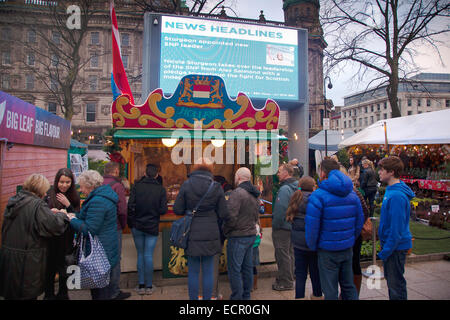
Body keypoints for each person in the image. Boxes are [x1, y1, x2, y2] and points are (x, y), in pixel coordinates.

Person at [0, 174, 69, 300]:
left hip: (10, 258)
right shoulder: (37, 205)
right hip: (27, 262)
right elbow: (54, 226)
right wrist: (62, 215)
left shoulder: (15, 200)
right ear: (41, 189)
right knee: (27, 295)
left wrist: (48, 214)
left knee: (12, 294)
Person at [305, 159, 364, 300]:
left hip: (327, 250)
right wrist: (350, 239)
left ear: (323, 172)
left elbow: (312, 226)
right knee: (348, 285)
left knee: (330, 289)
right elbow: (359, 221)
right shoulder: (353, 195)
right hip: (346, 247)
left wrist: (313, 246)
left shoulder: (318, 196)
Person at [173, 158, 229, 300]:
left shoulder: (187, 185)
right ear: (211, 169)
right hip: (211, 232)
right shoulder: (216, 186)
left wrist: (189, 209)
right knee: (209, 271)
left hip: (191, 232)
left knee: (193, 271)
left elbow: (177, 209)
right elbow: (224, 214)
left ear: (195, 168)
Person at [67, 170, 119, 300]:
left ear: (90, 185)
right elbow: (89, 218)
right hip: (105, 247)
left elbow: (89, 229)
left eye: (82, 186)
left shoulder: (98, 201)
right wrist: (74, 215)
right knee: (101, 287)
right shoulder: (101, 197)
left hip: (100, 252)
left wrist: (71, 220)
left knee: (100, 291)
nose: (81, 189)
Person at [377, 156, 414, 300]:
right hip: (393, 246)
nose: (379, 172)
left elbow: (396, 229)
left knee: (396, 285)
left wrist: (386, 250)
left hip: (395, 248)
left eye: (382, 169)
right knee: (393, 283)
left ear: (391, 172)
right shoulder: (391, 190)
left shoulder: (397, 195)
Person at [127, 164, 167, 295]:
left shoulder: (136, 187)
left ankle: (141, 284)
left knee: (140, 254)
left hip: (137, 225)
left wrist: (132, 222)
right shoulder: (160, 189)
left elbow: (130, 206)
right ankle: (149, 286)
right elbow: (163, 210)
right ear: (156, 175)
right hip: (152, 225)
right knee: (148, 255)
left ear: (144, 173)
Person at [43, 168, 81, 300]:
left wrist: (68, 205)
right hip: (51, 238)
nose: (64, 185)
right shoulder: (48, 194)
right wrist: (51, 212)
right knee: (49, 268)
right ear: (56, 181)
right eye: (61, 182)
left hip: (67, 238)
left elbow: (77, 216)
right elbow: (42, 214)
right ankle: (48, 294)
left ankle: (63, 294)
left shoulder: (74, 195)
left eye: (68, 182)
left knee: (64, 267)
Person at [223, 167, 259, 300]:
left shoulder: (237, 193)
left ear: (238, 177)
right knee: (247, 268)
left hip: (238, 236)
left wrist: (225, 231)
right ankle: (246, 296)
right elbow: (256, 217)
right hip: (250, 234)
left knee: (235, 269)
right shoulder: (254, 193)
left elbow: (230, 217)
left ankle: (237, 297)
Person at [286, 176, 323, 300]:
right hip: (313, 243)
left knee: (300, 274)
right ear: (313, 187)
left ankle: (299, 296)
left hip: (298, 244)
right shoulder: (315, 199)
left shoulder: (296, 198)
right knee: (315, 272)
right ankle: (317, 295)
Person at [340, 166, 370, 297]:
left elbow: (365, 212)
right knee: (353, 263)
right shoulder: (354, 191)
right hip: (353, 233)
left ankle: (352, 292)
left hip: (352, 234)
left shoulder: (353, 192)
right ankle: (351, 292)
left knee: (352, 263)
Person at [102, 162, 130, 300]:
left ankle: (102, 290)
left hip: (100, 228)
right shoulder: (118, 186)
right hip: (115, 227)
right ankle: (114, 291)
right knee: (114, 259)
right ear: (116, 171)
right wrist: (124, 224)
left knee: (103, 258)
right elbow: (122, 210)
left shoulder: (98, 184)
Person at [272, 163, 297, 291]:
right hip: (292, 225)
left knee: (282, 254)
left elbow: (281, 210)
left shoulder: (284, 189)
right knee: (289, 253)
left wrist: (275, 225)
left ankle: (286, 281)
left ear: (286, 173)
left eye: (279, 171)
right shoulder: (295, 187)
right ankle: (289, 277)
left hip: (282, 227)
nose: (277, 174)